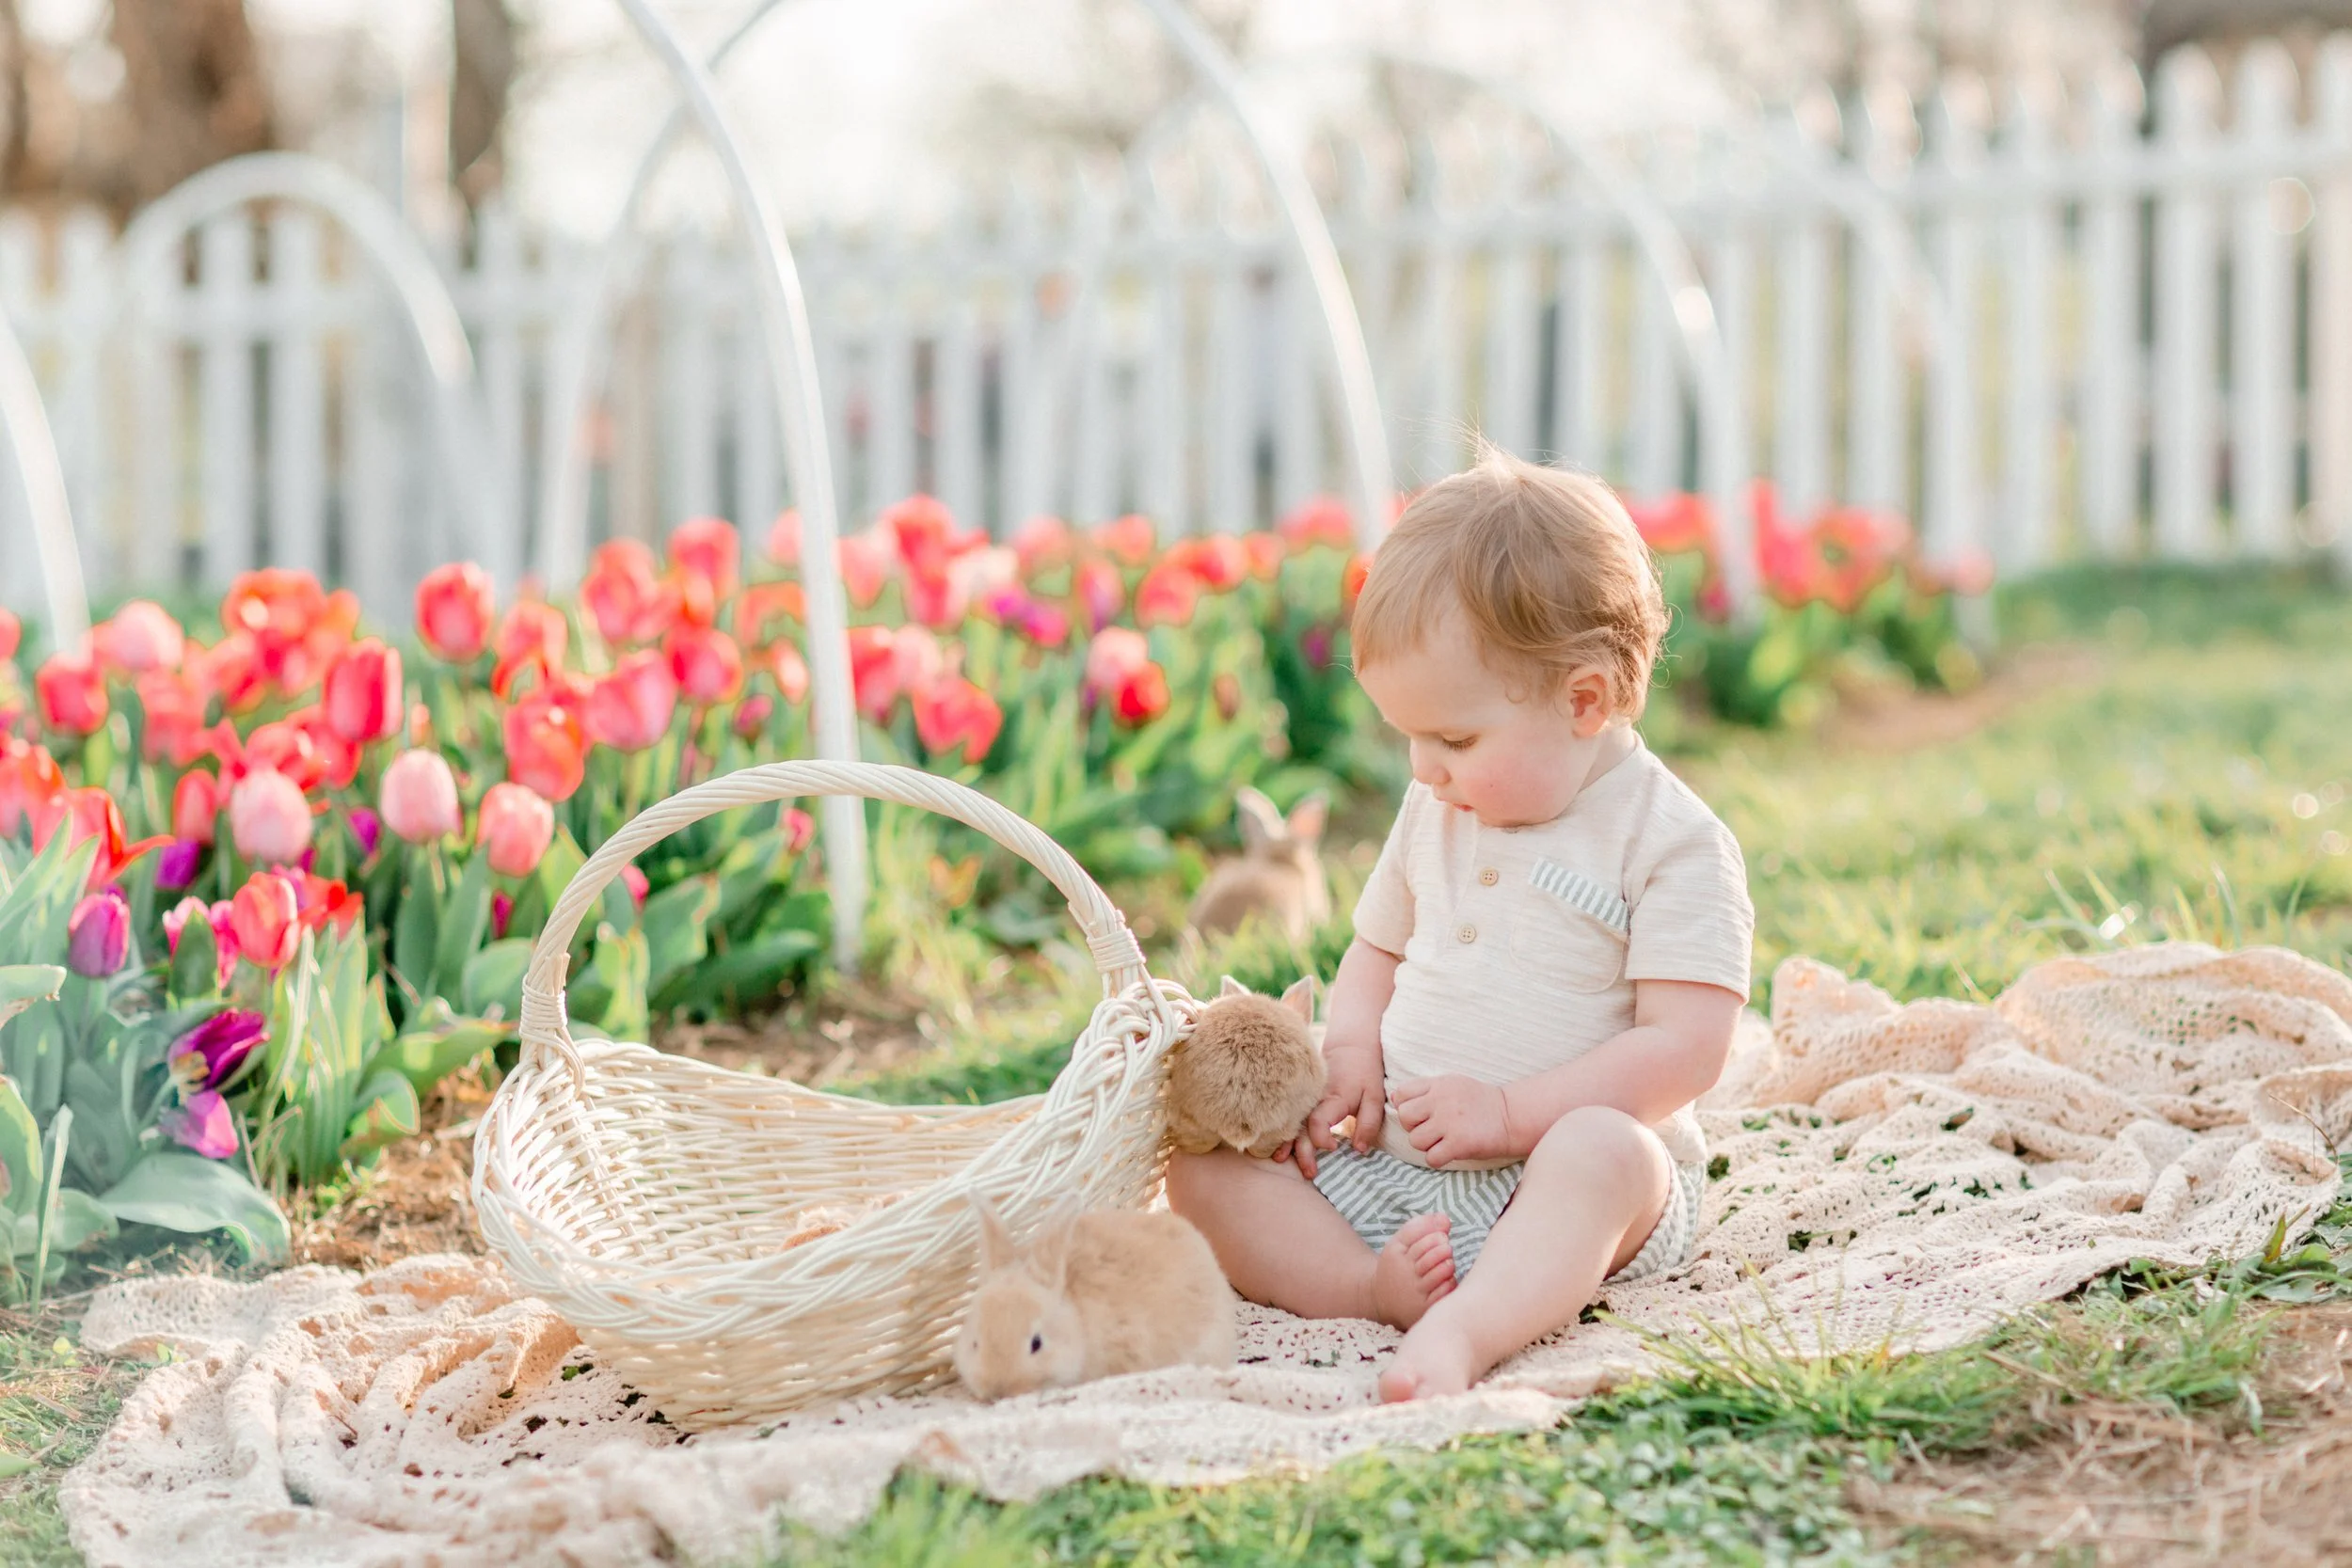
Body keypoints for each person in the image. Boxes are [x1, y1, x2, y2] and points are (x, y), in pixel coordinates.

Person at [1166, 446, 1755, 1401]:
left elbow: (1686, 1048)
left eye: (1453, 738)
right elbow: (1377, 948)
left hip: (1550, 1186)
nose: (1420, 767)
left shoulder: (1671, 841)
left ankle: (1467, 1328)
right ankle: (1373, 1284)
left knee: (1607, 1152)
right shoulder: (1438, 805)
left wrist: (1514, 1114)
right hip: (1392, 1167)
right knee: (1201, 1172)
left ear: (1585, 699)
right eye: (1409, 735)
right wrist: (1350, 1047)